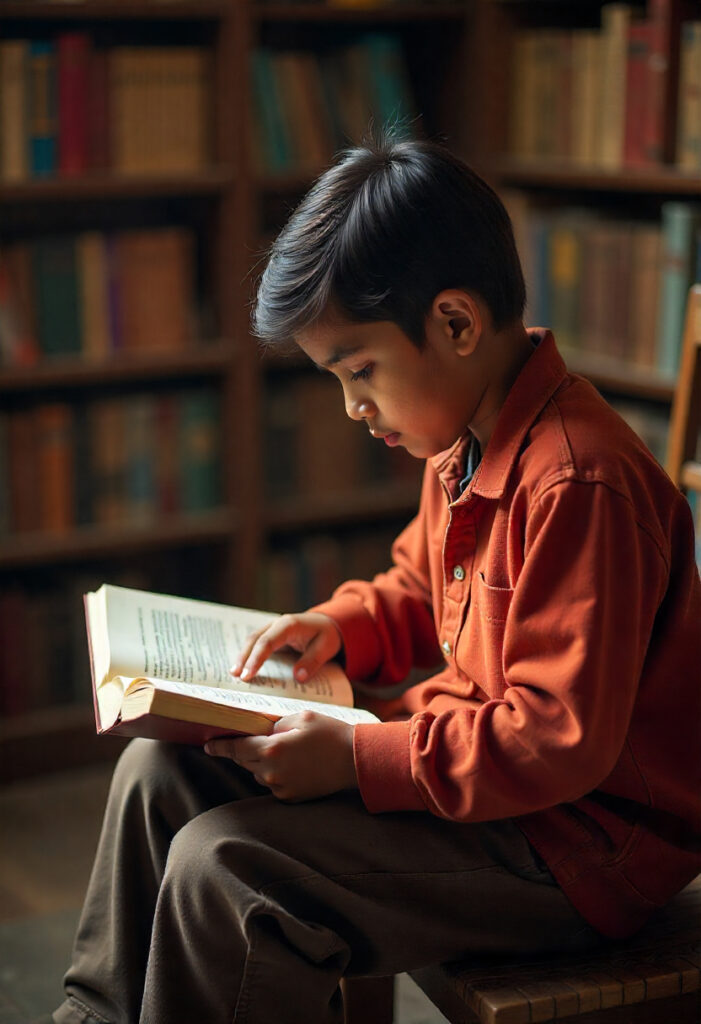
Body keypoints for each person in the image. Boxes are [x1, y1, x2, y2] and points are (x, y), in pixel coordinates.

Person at [45, 135, 700, 1024]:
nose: (353, 407)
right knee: (159, 772)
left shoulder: (576, 482)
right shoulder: (465, 441)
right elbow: (421, 587)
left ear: (456, 324)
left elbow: (557, 739)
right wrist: (341, 627)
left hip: (579, 849)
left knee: (227, 873)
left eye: (359, 371)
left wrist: (358, 759)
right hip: (485, 790)